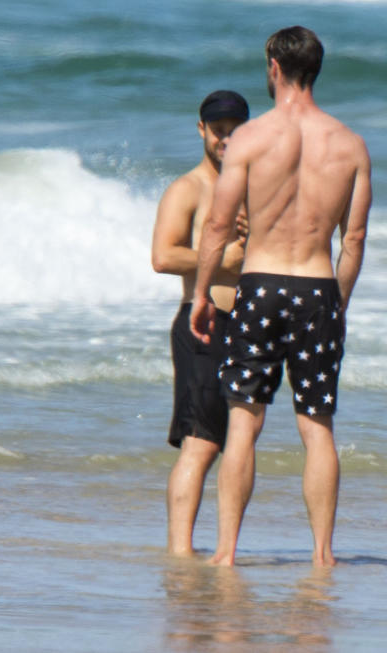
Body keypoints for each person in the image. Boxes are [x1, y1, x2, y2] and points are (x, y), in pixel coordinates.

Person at [190, 26, 371, 567]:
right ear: (316, 69)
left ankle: (225, 553)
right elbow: (354, 240)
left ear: (274, 66)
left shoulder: (249, 139)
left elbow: (219, 224)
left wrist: (202, 293)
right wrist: (337, 305)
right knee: (317, 427)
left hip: (260, 284)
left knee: (244, 422)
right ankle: (322, 554)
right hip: (317, 287)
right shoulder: (350, 144)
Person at [152, 90, 250, 555]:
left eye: (235, 130)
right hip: (202, 323)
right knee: (201, 443)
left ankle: (218, 551)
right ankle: (179, 553)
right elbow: (162, 255)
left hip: (246, 324)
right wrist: (223, 262)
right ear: (201, 130)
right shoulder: (188, 189)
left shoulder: (254, 188)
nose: (226, 139)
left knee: (236, 444)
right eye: (218, 131)